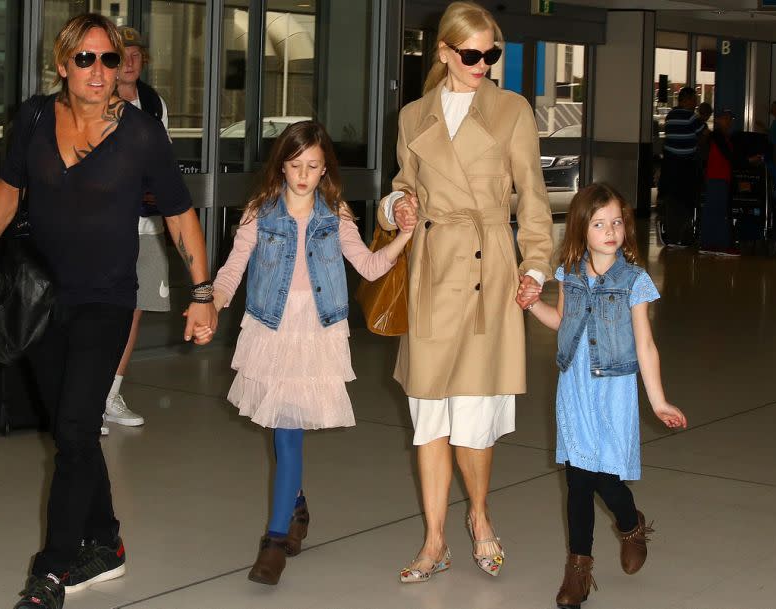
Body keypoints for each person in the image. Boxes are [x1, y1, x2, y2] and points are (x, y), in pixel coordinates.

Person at [0, 14, 217, 609]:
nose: (99, 71)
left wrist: (202, 292)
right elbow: (9, 188)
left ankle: (50, 572)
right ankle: (107, 541)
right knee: (72, 429)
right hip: (40, 299)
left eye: (109, 60)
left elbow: (180, 214)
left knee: (77, 428)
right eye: (85, 59)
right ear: (62, 64)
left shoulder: (140, 135)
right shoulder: (34, 118)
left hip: (106, 300)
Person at [378, 1, 553, 583]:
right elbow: (403, 185)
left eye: (491, 53)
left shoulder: (511, 111)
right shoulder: (413, 116)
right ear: (445, 53)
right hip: (432, 268)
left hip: (489, 271)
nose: (483, 63)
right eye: (471, 53)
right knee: (429, 414)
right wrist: (395, 206)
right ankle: (434, 541)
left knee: (474, 417)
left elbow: (532, 196)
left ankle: (478, 517)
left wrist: (536, 266)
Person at [203, 121, 412, 585]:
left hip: (316, 331)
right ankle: (294, 509)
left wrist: (403, 237)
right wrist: (211, 306)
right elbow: (234, 267)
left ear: (325, 171)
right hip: (270, 329)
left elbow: (370, 267)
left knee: (289, 432)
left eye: (313, 166)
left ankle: (275, 540)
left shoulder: (334, 214)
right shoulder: (261, 210)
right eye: (295, 165)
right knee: (283, 434)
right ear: (281, 166)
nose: (303, 174)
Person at [517, 183, 687, 609]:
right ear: (581, 229)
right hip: (574, 388)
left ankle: (630, 525)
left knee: (606, 480)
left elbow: (645, 344)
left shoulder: (634, 280)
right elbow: (562, 322)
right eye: (599, 223)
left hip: (614, 390)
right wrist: (531, 304)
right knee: (578, 480)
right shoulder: (569, 274)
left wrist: (659, 400)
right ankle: (579, 570)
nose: (610, 231)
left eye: (617, 222)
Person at [100, 26, 173, 430]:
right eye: (120, 54)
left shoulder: (153, 103)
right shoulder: (96, 100)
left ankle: (111, 394)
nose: (129, 61)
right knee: (100, 309)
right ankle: (87, 395)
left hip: (148, 226)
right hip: (105, 226)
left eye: (136, 54)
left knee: (135, 310)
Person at [659, 87, 704, 246]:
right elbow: (705, 135)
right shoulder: (692, 117)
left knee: (672, 200)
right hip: (686, 166)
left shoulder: (670, 116)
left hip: (670, 165)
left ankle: (671, 236)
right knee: (687, 201)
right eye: (694, 99)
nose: (695, 103)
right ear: (686, 100)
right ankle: (684, 236)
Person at [700, 108, 743, 256]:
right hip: (716, 178)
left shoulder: (724, 137)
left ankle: (712, 244)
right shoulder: (717, 136)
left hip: (720, 178)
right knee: (717, 211)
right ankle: (718, 245)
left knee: (716, 210)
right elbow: (729, 156)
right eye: (725, 118)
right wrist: (748, 160)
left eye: (730, 118)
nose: (729, 121)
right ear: (717, 120)